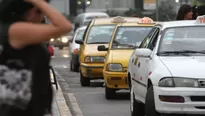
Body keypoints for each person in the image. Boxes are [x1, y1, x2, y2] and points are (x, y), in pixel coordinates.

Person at [0, 0, 72, 116]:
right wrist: (38, 1)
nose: (43, 16)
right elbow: (64, 26)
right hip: (16, 109)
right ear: (30, 12)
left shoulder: (22, 32)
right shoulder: (15, 30)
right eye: (40, 12)